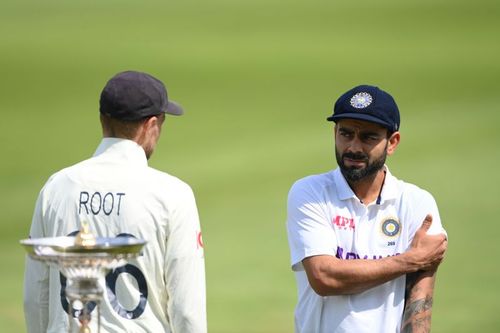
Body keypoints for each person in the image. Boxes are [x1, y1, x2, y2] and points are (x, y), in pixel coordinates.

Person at [23, 71, 207, 333]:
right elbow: (187, 312)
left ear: (102, 119)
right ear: (151, 125)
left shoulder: (56, 187)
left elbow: (35, 296)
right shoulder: (173, 194)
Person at [286, 85, 448, 333]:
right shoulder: (310, 193)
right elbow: (324, 277)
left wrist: (412, 264)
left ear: (392, 142)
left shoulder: (417, 203)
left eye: (368, 137)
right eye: (346, 134)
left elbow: (419, 306)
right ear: (335, 133)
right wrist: (409, 261)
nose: (354, 147)